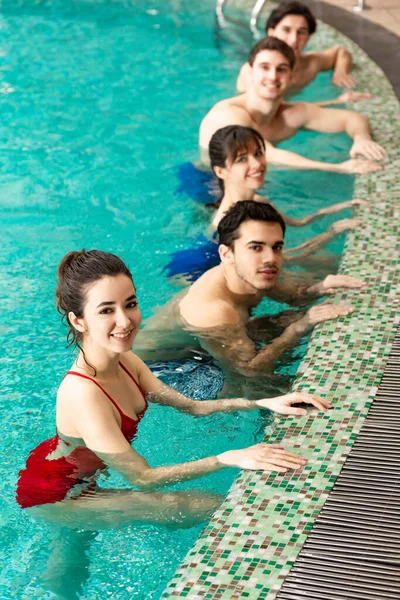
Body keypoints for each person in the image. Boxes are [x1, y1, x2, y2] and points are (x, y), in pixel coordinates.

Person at [17, 249, 331, 531]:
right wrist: (230, 457)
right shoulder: (84, 394)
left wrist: (266, 402)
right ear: (79, 321)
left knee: (72, 558)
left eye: (130, 304)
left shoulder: (127, 359)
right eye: (106, 311)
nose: (125, 321)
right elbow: (142, 478)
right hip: (57, 494)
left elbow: (193, 407)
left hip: (81, 474)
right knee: (199, 505)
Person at [137, 201, 365, 383]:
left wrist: (323, 286)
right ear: (226, 254)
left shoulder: (255, 272)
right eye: (256, 247)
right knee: (269, 385)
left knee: (285, 319)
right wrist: (300, 327)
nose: (271, 258)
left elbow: (294, 296)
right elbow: (248, 372)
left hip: (205, 344)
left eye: (276, 247)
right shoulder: (213, 310)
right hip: (163, 366)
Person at [165, 125, 365, 283]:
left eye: (258, 153)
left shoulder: (258, 201)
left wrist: (334, 209)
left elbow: (299, 223)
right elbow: (282, 259)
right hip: (204, 264)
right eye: (242, 159)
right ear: (220, 171)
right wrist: (331, 233)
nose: (257, 164)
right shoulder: (232, 223)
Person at [199, 37, 386, 173]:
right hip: (206, 182)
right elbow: (267, 155)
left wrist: (362, 138)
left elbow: (352, 118)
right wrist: (338, 167)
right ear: (250, 74)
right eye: (264, 67)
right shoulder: (230, 115)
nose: (273, 76)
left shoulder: (291, 114)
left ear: (291, 77)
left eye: (281, 69)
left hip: (248, 179)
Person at [236, 1, 363, 103]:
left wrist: (340, 72)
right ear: (271, 32)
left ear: (309, 36)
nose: (294, 39)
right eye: (286, 30)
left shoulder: (311, 64)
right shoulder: (254, 72)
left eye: (301, 32)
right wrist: (336, 101)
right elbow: (269, 112)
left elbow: (340, 52)